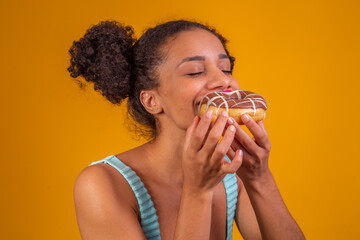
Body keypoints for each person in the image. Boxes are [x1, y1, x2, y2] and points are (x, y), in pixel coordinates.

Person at [69, 19, 305, 240]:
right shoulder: (102, 184)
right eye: (195, 71)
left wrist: (259, 178)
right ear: (152, 101)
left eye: (225, 68)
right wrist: (198, 192)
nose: (224, 82)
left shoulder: (231, 172)